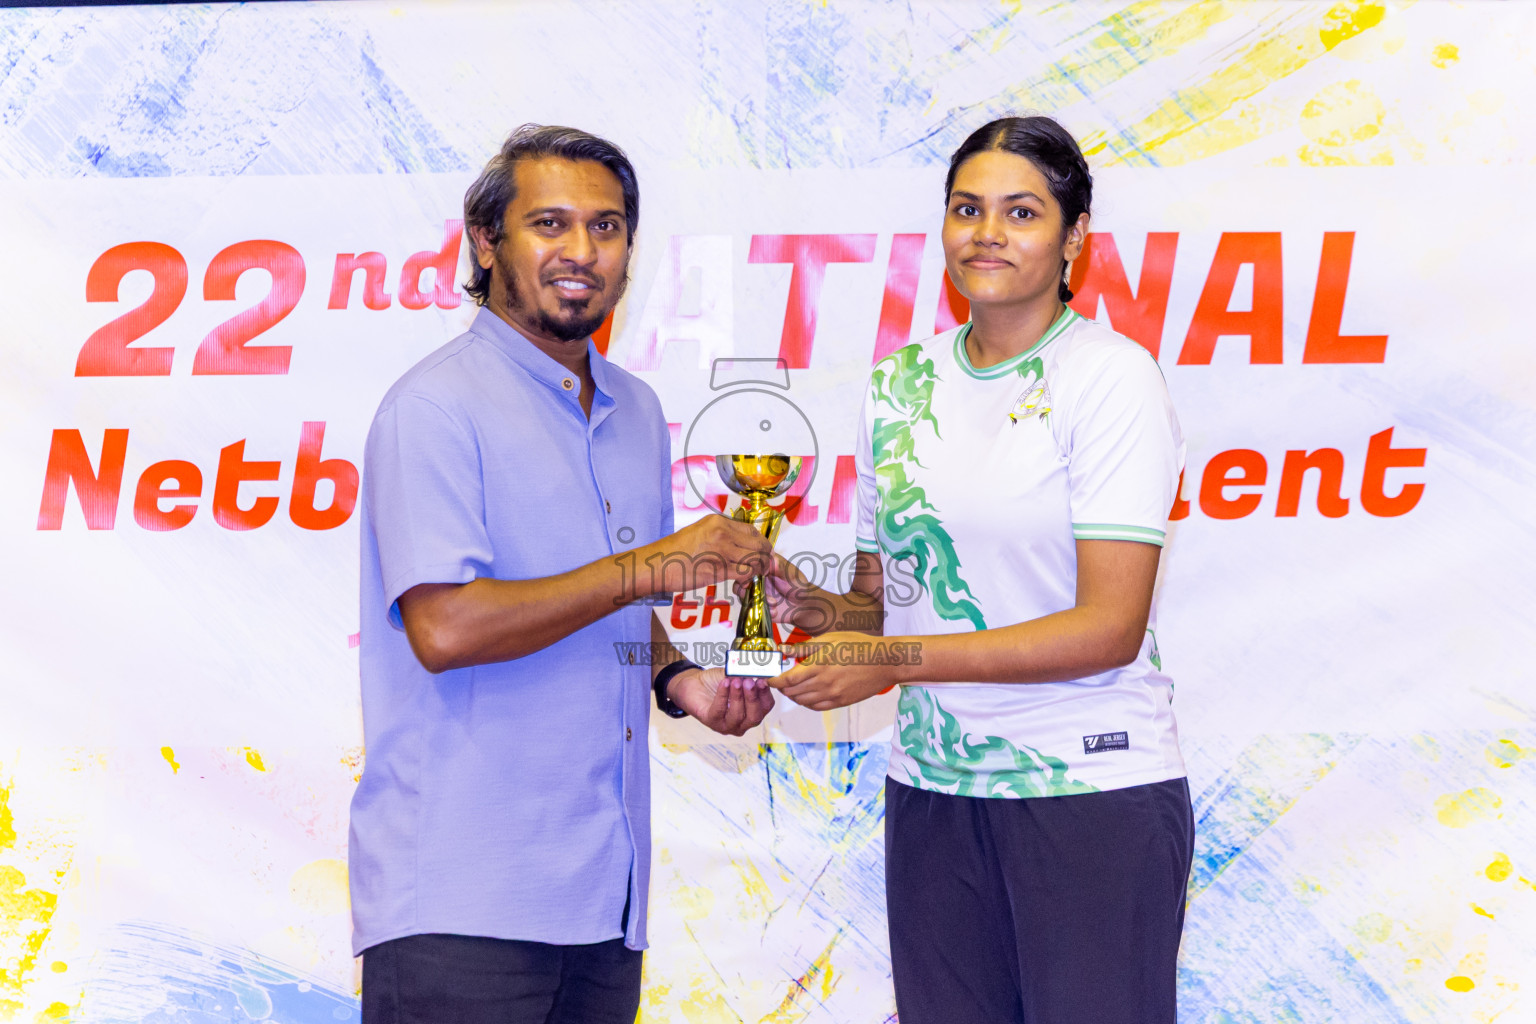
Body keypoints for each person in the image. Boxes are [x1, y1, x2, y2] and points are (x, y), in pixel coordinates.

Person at [762, 116, 1194, 1024]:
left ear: (1075, 238)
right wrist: (807, 605)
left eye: (1022, 211)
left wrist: (891, 663)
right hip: (933, 788)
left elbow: (1106, 627)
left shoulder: (1109, 378)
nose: (987, 233)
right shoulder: (900, 384)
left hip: (1087, 790)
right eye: (967, 209)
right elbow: (886, 611)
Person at [349, 124, 775, 1024]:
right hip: (460, 908)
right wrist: (646, 567)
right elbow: (446, 628)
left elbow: (615, 608)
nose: (582, 252)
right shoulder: (432, 408)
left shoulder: (636, 410)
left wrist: (681, 679)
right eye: (550, 223)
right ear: (485, 241)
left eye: (607, 227)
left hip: (604, 904)